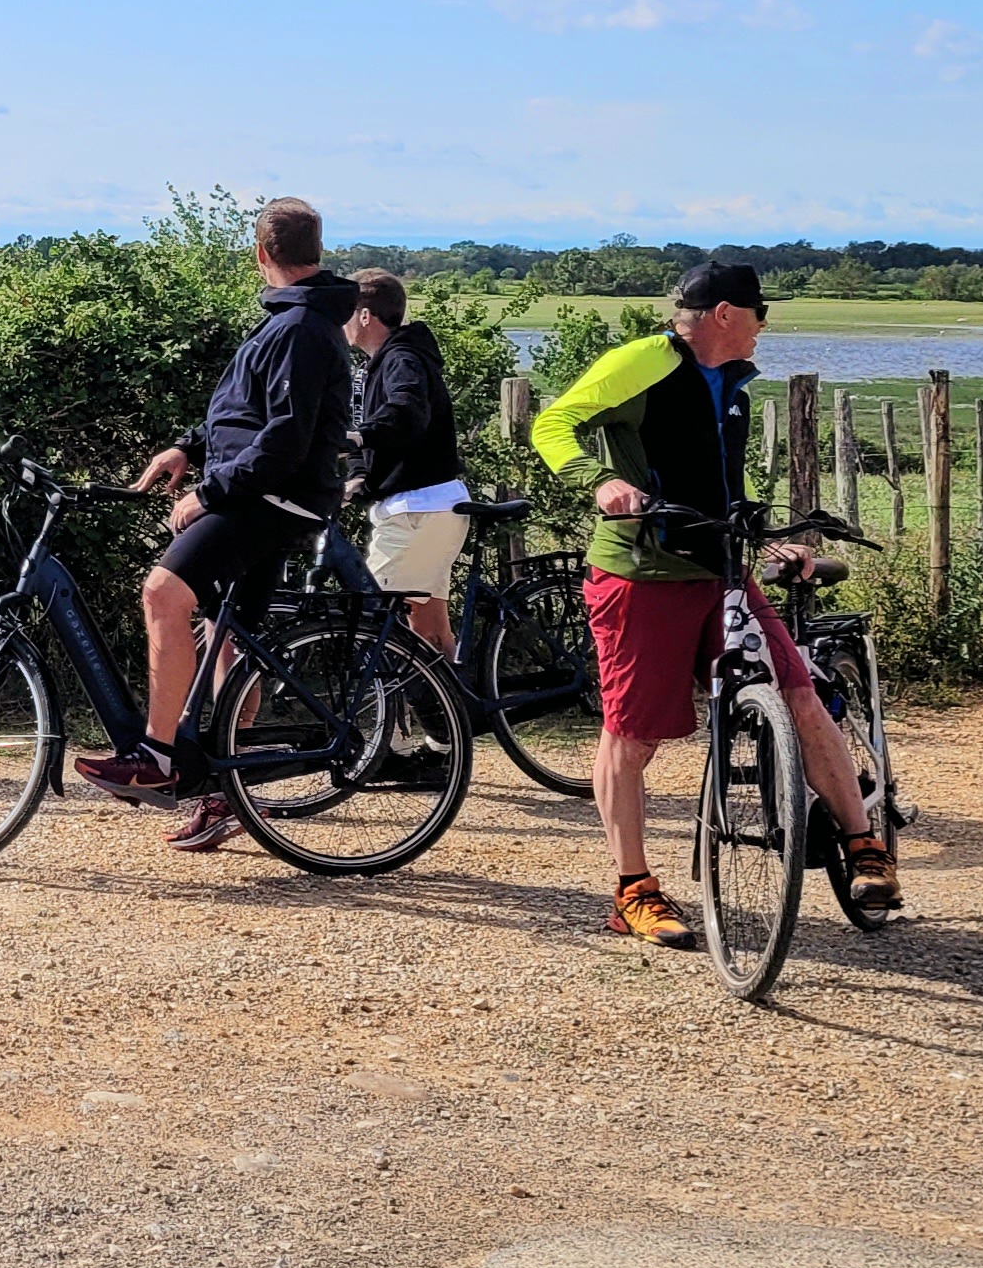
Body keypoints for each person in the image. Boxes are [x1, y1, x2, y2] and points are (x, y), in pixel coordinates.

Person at [530, 261, 899, 946]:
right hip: (642, 574)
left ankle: (862, 846)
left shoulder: (729, 383)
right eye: (761, 312)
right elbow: (553, 424)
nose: (765, 326)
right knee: (630, 736)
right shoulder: (642, 360)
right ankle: (632, 890)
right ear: (726, 313)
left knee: (799, 698)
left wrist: (760, 544)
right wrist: (600, 480)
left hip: (722, 569)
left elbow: (713, 478)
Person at [76, 197, 358, 851]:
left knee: (161, 593)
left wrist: (210, 491)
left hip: (272, 497)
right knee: (226, 640)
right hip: (269, 493)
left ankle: (155, 755)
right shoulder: (297, 319)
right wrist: (190, 448)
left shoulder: (296, 328)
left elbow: (283, 441)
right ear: (311, 250)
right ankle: (221, 792)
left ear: (261, 254)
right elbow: (241, 413)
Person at [345, 271, 467, 657]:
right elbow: (374, 432)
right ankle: (458, 713)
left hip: (417, 509)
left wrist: (362, 437)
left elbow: (406, 411)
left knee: (377, 624)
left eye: (346, 312)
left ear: (366, 316)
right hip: (432, 505)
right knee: (428, 624)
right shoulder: (382, 363)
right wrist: (358, 475)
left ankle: (399, 717)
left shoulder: (401, 360)